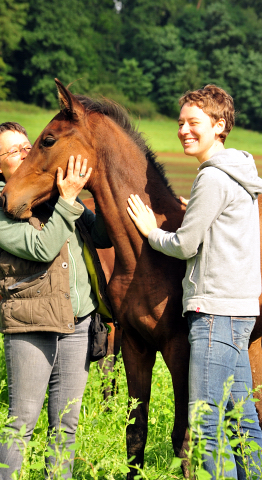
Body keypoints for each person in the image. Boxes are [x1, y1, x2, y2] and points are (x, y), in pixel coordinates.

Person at [127, 85, 262, 478]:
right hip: (239, 313)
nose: (184, 130)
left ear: (219, 125)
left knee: (204, 423)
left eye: (194, 122)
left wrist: (152, 231)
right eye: (180, 123)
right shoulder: (240, 175)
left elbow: (186, 246)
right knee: (243, 423)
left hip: (213, 313)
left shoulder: (212, 179)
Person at [0, 121, 112, 479]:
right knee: (22, 421)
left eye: (29, 146)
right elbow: (41, 247)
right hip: (32, 326)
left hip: (78, 321)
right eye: (15, 151)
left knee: (66, 424)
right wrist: (68, 200)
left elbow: (101, 235)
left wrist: (94, 189)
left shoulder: (57, 196)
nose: (27, 153)